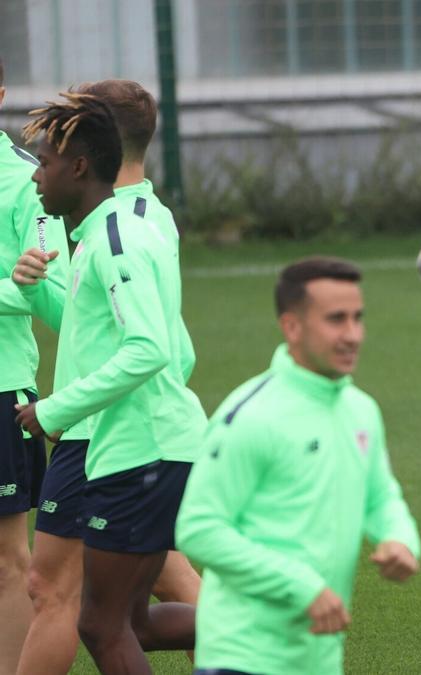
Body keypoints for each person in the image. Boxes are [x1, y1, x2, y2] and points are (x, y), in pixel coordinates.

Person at [11, 78, 200, 674]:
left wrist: (59, 410)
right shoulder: (116, 221)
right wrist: (33, 284)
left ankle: (265, 624)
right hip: (114, 432)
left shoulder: (124, 230)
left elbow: (152, 349)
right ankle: (261, 624)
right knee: (111, 613)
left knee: (79, 607)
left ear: (87, 152)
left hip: (113, 436)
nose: (36, 173)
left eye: (47, 158)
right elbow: (175, 347)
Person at [176, 257, 421, 674]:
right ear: (292, 327)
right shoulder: (250, 415)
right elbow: (199, 529)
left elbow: (381, 495)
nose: (353, 335)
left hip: (319, 659)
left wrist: (399, 538)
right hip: (242, 657)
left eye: (357, 318)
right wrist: (302, 586)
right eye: (336, 320)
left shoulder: (361, 410)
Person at [0, 55, 69, 674]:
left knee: (7, 560)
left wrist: (16, 286)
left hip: (1, 387)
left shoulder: (26, 183)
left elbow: (51, 293)